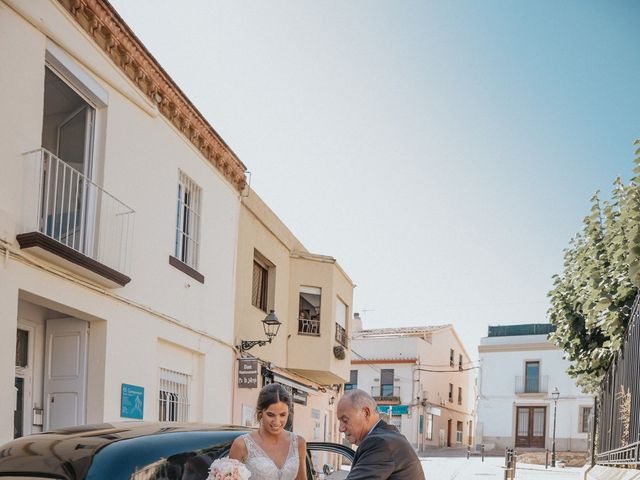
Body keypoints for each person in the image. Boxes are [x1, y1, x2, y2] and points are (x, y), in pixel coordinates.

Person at [337, 389, 425, 480]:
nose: (341, 428)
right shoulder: (389, 437)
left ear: (366, 413)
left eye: (345, 420)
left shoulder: (379, 443)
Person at [230, 383, 307, 480]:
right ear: (260, 413)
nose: (277, 422)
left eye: (282, 415)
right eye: (270, 415)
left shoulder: (299, 443)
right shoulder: (241, 444)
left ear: (289, 413)